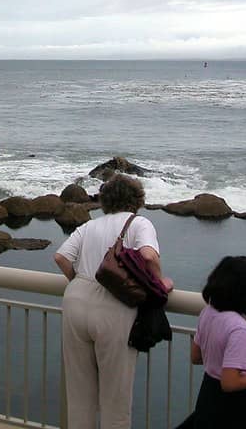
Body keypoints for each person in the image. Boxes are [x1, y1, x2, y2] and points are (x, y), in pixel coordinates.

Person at [54, 174, 173, 429]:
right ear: (136, 200)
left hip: (76, 299)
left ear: (105, 200)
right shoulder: (139, 223)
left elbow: (61, 258)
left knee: (79, 391)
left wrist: (80, 282)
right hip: (113, 305)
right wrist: (161, 283)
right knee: (115, 395)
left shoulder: (89, 225)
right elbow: (149, 257)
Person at [176, 256, 246, 429]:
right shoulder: (239, 329)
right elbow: (229, 383)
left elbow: (195, 356)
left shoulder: (208, 313)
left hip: (208, 399)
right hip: (236, 409)